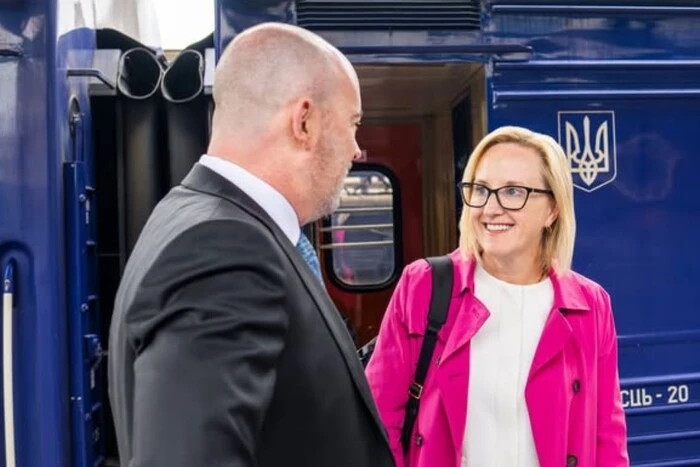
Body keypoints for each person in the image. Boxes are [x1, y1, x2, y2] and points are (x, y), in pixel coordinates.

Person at [108, 22, 394, 467]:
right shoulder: (225, 249)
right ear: (304, 121)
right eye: (353, 123)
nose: (357, 149)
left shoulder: (194, 216)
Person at [366, 126, 629, 467]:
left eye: (513, 191)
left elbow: (607, 438)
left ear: (553, 209)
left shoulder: (591, 305)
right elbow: (378, 422)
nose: (490, 208)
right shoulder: (424, 286)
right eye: (481, 189)